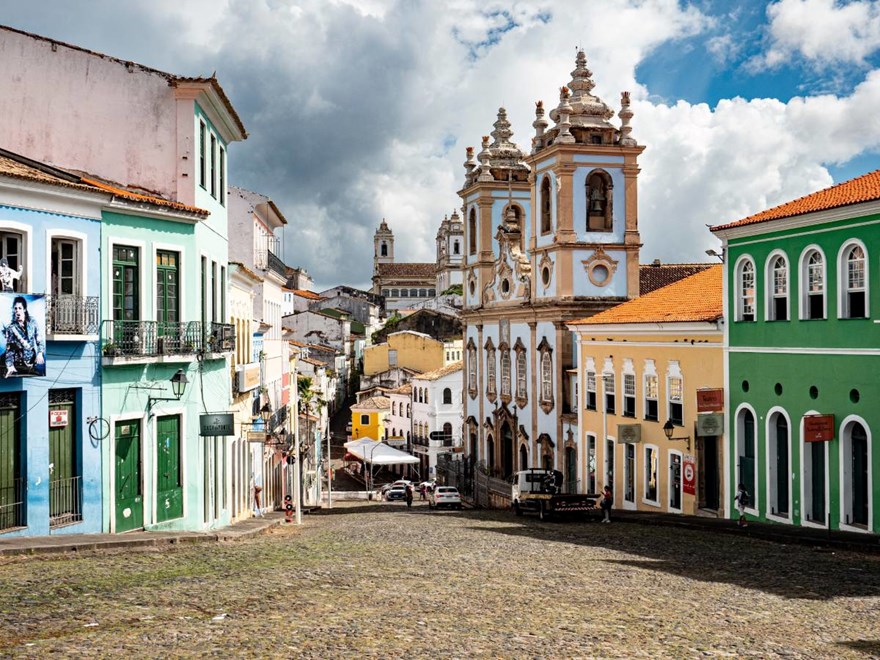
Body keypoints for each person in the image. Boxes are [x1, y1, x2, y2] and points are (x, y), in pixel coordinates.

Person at [5, 296, 45, 377]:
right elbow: (10, 350)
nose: (17, 311)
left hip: (33, 361)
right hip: (19, 364)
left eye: (20, 308)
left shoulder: (32, 322)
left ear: (24, 309)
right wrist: (10, 366)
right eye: (15, 308)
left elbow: (39, 339)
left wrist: (40, 353)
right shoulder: (11, 328)